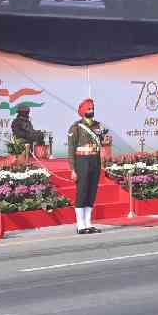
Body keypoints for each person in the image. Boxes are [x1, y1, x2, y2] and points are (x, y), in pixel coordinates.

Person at [67, 99, 109, 234]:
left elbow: (102, 141)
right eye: (88, 109)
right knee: (82, 192)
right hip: (82, 161)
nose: (91, 111)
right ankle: (80, 225)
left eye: (92, 109)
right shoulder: (76, 127)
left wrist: (105, 140)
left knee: (92, 192)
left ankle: (88, 223)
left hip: (94, 160)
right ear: (83, 111)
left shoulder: (98, 126)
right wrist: (72, 169)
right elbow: (71, 149)